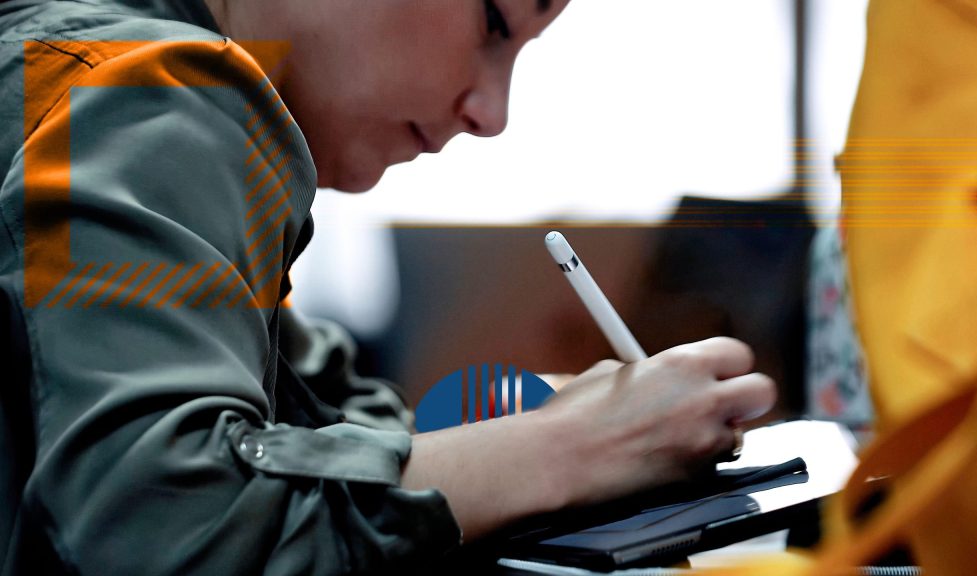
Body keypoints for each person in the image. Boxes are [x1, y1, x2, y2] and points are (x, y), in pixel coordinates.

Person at [0, 0, 776, 574]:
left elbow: (319, 419)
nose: (491, 113)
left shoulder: (66, 54)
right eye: (495, 23)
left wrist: (567, 418)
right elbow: (165, 526)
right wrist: (582, 444)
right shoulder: (152, 88)